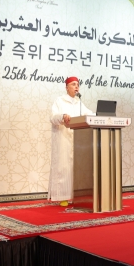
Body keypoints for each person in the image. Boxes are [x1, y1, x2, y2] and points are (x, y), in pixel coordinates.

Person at [48, 76, 94, 206]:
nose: (76, 87)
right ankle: (63, 197)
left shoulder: (79, 102)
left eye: (78, 84)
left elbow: (89, 114)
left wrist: (99, 116)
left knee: (77, 167)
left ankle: (76, 196)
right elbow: (53, 117)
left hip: (78, 138)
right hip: (63, 138)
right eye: (73, 84)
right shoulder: (59, 101)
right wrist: (62, 117)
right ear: (67, 87)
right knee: (64, 167)